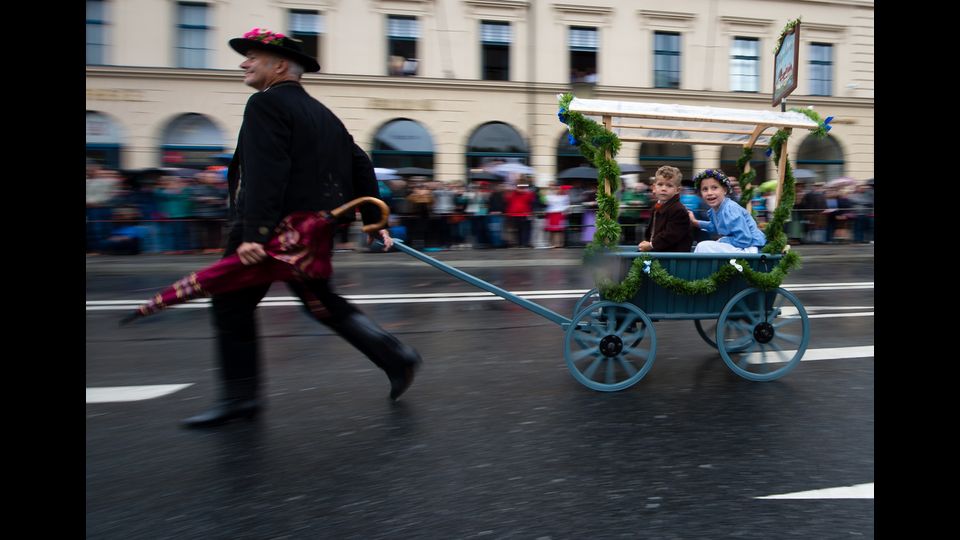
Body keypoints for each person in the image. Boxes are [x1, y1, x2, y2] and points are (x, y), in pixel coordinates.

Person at [182, 27, 422, 429]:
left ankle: (241, 398)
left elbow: (264, 173)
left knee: (230, 303)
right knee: (319, 301)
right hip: (312, 230)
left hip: (273, 231)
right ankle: (395, 356)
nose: (244, 62)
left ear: (279, 66)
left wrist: (253, 235)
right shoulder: (322, 113)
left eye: (252, 57)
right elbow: (360, 161)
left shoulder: (265, 105)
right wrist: (371, 219)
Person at [688, 169, 766, 253]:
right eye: (705, 189)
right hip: (742, 247)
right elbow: (714, 226)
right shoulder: (715, 210)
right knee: (703, 246)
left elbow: (744, 240)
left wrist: (723, 240)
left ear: (724, 190)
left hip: (752, 249)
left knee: (703, 246)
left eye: (714, 188)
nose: (709, 192)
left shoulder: (730, 209)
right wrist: (695, 222)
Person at [637, 166, 693, 252]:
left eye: (669, 185)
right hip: (659, 252)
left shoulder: (678, 210)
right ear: (654, 188)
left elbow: (671, 235)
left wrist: (651, 245)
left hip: (674, 257)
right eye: (660, 184)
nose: (663, 188)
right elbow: (651, 231)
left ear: (677, 190)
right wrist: (647, 242)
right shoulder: (656, 207)